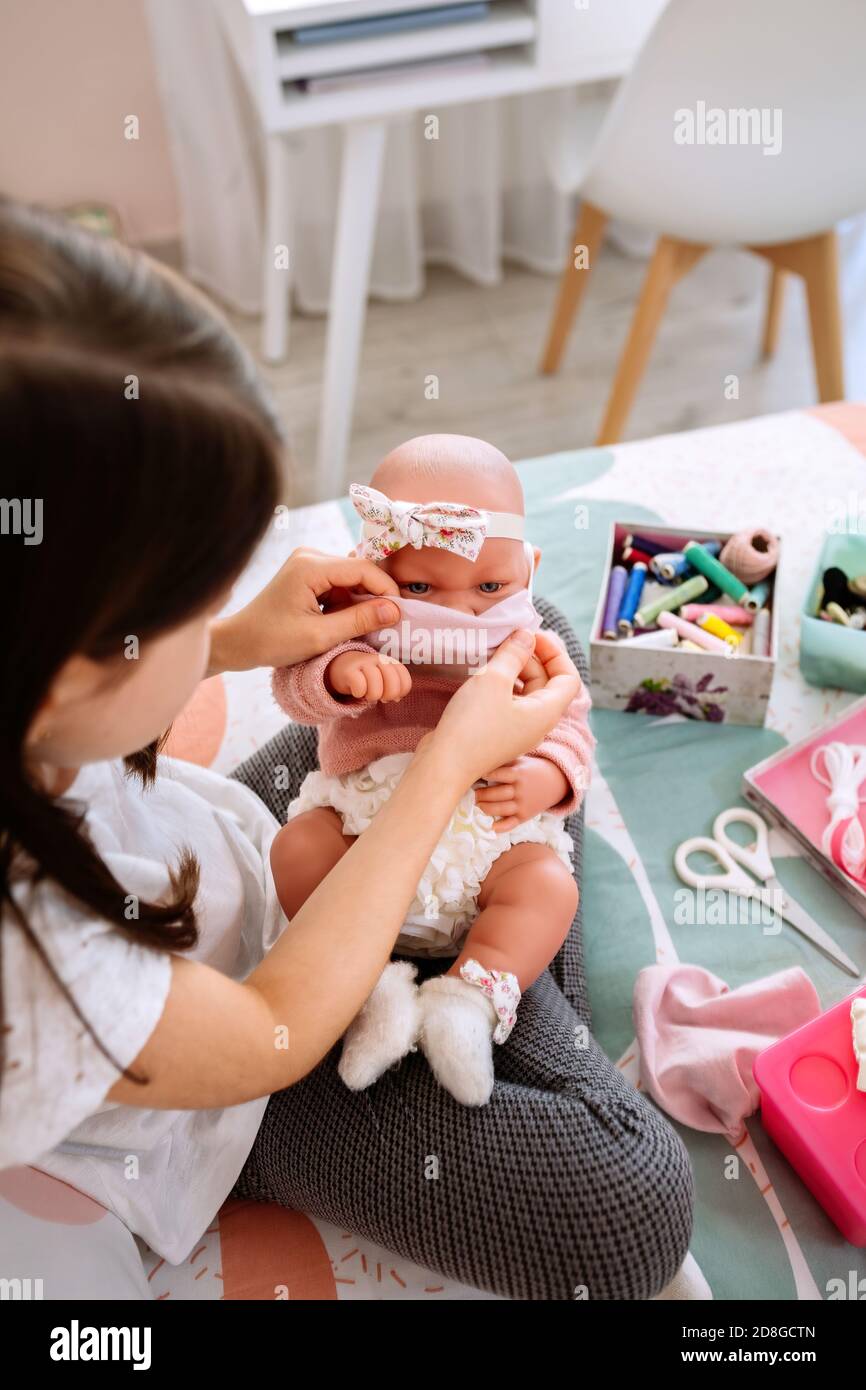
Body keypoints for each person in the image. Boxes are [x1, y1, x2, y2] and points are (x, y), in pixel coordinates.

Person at [0, 199, 695, 1300]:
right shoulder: (32, 973)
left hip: (210, 862)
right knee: (627, 1210)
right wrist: (449, 765)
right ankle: (482, 980)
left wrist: (237, 643)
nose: (219, 619)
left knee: (531, 636)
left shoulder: (37, 687)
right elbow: (271, 1030)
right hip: (233, 1077)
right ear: (68, 661)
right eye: (194, 601)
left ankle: (480, 948)